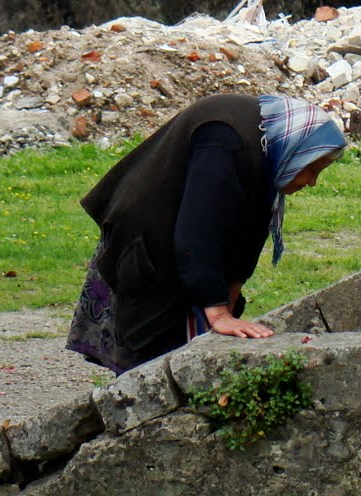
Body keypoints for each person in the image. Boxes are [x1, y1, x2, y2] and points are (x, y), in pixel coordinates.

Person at [66, 93, 345, 373]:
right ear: (293, 148)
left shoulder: (267, 147)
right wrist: (218, 313)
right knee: (150, 360)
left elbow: (250, 231)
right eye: (310, 168)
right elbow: (199, 231)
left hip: (184, 249)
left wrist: (229, 299)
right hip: (148, 241)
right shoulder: (226, 140)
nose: (311, 182)